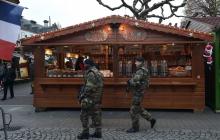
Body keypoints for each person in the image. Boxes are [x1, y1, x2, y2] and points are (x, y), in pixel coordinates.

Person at [126, 57, 156, 133]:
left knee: (133, 110)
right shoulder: (144, 69)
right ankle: (151, 119)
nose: (135, 63)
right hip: (139, 92)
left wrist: (129, 82)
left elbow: (135, 81)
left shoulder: (140, 71)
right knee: (138, 108)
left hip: (138, 93)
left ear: (141, 62)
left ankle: (135, 128)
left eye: (136, 62)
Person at [77, 59, 103, 139]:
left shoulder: (91, 73)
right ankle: (98, 132)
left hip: (90, 97)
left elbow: (89, 87)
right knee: (96, 114)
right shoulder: (98, 72)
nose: (84, 66)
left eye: (84, 64)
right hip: (97, 97)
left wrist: (82, 96)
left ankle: (85, 133)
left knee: (83, 114)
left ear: (88, 64)